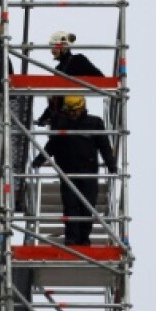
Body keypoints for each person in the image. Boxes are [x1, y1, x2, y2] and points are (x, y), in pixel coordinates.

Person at [30, 96, 117, 245]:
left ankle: (84, 239)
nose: (73, 114)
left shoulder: (94, 123)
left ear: (82, 107)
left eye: (75, 111)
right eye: (70, 111)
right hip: (68, 172)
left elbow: (104, 146)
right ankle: (71, 238)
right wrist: (39, 159)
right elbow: (53, 144)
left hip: (88, 172)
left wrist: (111, 165)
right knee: (70, 206)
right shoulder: (62, 122)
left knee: (87, 206)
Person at [37, 31, 106, 127]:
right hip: (63, 117)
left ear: (64, 46)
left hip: (73, 114)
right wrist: (44, 117)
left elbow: (101, 80)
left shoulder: (78, 60)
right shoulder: (58, 69)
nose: (52, 51)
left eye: (54, 47)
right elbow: (56, 100)